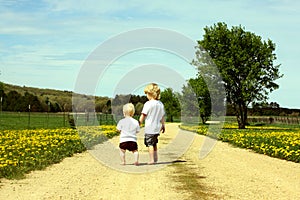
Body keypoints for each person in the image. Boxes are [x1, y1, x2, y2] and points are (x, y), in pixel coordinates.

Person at [139, 83, 165, 165]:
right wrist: (163, 125)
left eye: (146, 93)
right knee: (154, 143)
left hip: (150, 127)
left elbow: (143, 115)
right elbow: (162, 116)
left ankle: (151, 159)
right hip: (157, 127)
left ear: (150, 94)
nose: (146, 95)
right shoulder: (160, 104)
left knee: (149, 144)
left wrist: (139, 123)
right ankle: (156, 157)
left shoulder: (148, 104)